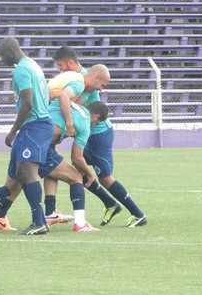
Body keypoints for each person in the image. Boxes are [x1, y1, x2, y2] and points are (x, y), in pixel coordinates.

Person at [0, 101, 108, 233]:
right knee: (76, 177)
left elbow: (59, 97)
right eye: (97, 123)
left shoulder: (69, 105)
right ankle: (79, 223)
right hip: (40, 144)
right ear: (95, 117)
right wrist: (89, 173)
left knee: (11, 186)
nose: (94, 125)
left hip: (23, 137)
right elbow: (77, 158)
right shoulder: (84, 124)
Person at [49, 46, 148, 227]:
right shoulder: (75, 79)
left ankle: (138, 214)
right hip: (86, 132)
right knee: (77, 172)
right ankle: (109, 204)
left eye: (61, 66)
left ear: (71, 63)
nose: (60, 70)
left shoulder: (87, 81)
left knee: (103, 177)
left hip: (98, 133)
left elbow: (75, 106)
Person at [0, 36, 54, 236]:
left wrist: (13, 130)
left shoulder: (22, 70)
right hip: (35, 125)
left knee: (28, 172)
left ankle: (39, 222)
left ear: (9, 52)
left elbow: (28, 102)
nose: (1, 59)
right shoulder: (33, 65)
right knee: (14, 178)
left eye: (1, 55)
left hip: (34, 126)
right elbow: (46, 95)